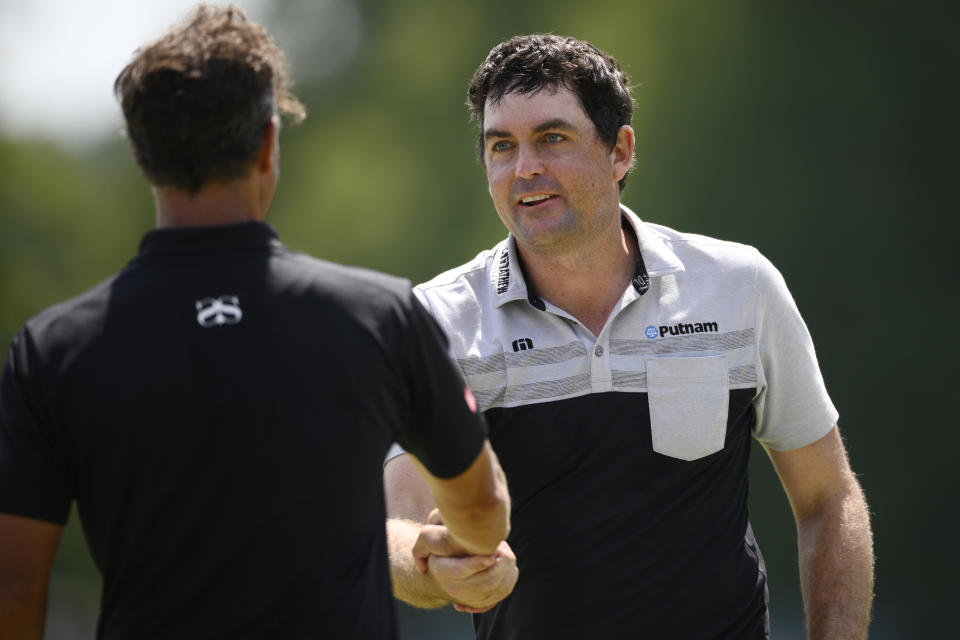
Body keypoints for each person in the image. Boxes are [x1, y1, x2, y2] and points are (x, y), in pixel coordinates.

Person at [0, 5, 510, 639]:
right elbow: (482, 508)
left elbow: (14, 586)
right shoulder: (379, 315)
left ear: (142, 154)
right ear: (269, 143)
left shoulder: (53, 349)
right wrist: (463, 546)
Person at [384, 34, 874, 639]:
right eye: (501, 146)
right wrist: (435, 564)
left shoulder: (739, 286)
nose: (524, 167)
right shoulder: (433, 321)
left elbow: (829, 499)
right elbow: (396, 525)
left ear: (620, 152)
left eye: (552, 139)